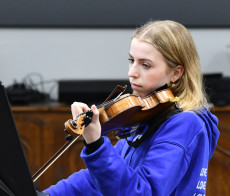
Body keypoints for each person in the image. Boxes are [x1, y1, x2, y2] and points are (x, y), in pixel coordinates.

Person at [43, 20, 219, 196]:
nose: (132, 72)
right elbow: (96, 181)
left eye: (145, 65)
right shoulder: (145, 115)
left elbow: (142, 192)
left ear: (176, 73)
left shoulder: (185, 124)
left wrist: (96, 145)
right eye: (131, 60)